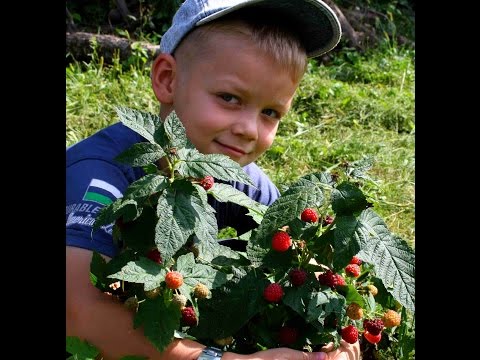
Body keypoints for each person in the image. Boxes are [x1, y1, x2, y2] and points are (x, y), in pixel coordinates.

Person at [66, 1, 361, 359]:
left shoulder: (242, 182)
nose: (249, 129)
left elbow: (292, 253)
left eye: (270, 112)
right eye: (229, 98)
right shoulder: (101, 175)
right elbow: (76, 312)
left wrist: (334, 327)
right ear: (167, 79)